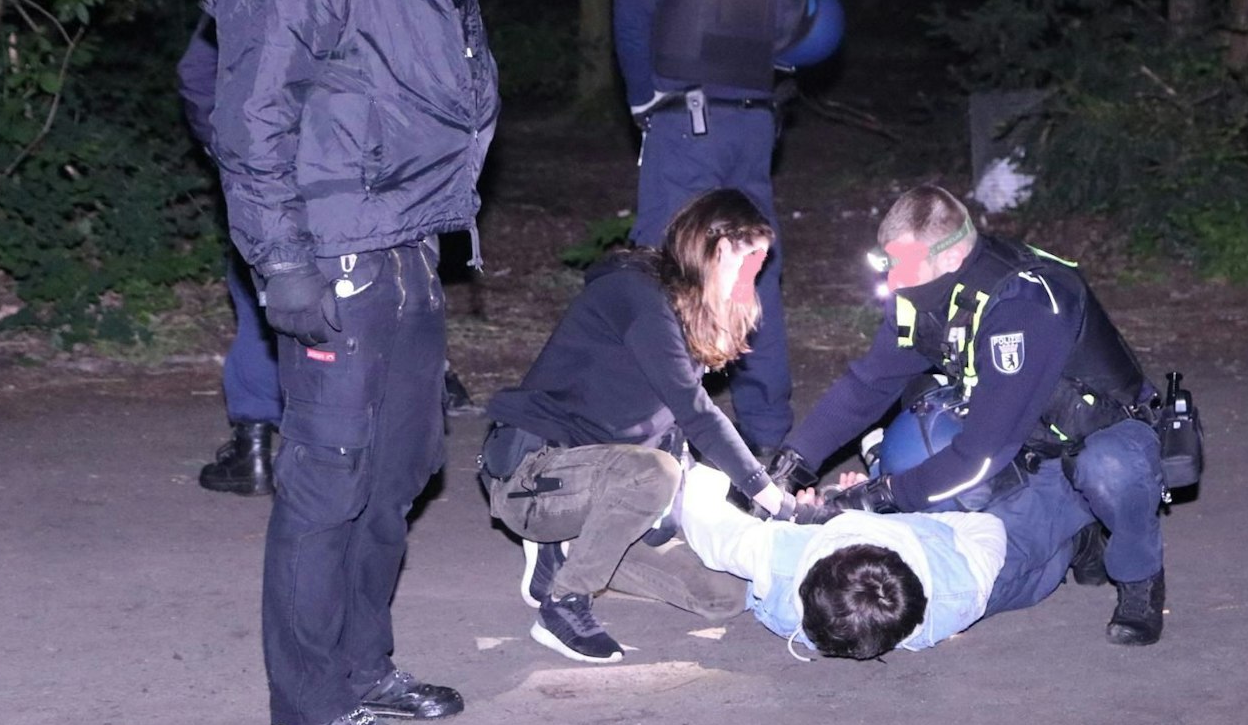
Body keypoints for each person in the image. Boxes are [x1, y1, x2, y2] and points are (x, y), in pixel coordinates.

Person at [201, 0, 499, 725]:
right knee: (328, 481)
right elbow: (250, 117)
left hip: (406, 237)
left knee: (399, 468)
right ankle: (307, 707)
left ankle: (364, 669)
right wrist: (280, 263)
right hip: (334, 247)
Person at [768, 186, 1171, 646]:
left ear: (954, 253)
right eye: (886, 264)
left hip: (1101, 432)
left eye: (902, 266)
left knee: (1110, 471)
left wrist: (872, 497)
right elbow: (869, 383)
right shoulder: (919, 293)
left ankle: (1139, 577)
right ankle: (1077, 536)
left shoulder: (1024, 305)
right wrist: (791, 463)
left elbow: (981, 454)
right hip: (1026, 440)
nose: (892, 282)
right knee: (988, 578)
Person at [179, 0, 489, 497]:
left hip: (339, 188)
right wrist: (243, 155)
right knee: (289, 301)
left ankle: (283, 449)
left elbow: (201, 77)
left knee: (306, 307)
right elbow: (204, 78)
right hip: (324, 187)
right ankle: (278, 450)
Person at [482, 190, 817, 665]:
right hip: (534, 477)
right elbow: (697, 412)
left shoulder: (690, 312)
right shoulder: (639, 296)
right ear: (716, 249)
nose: (754, 275)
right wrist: (776, 501)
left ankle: (570, 550)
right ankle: (564, 604)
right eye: (748, 259)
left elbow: (672, 429)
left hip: (603, 482)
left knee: (724, 597)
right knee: (653, 474)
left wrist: (707, 511)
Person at [614, 0, 800, 455]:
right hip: (752, 123)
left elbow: (632, 16)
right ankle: (768, 438)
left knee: (665, 268)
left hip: (687, 123)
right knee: (751, 269)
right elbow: (784, 22)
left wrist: (643, 102)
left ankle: (653, 436)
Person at [676, 465, 1007, 659]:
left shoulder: (779, 552)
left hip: (786, 561)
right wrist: (886, 512)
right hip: (911, 541)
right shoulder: (964, 588)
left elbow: (707, 522)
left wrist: (804, 518)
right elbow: (988, 525)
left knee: (720, 580)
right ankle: (878, 463)